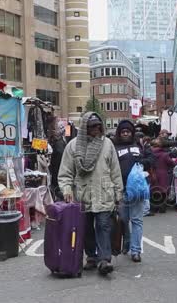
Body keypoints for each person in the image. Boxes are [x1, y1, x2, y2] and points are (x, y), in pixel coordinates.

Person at [58, 112, 123, 276]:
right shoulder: (73, 146)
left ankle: (104, 260)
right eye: (92, 125)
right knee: (85, 228)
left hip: (104, 193)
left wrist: (118, 193)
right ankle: (91, 257)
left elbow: (115, 171)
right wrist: (66, 190)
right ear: (85, 127)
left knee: (104, 226)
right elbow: (65, 173)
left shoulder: (107, 144)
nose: (96, 128)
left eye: (98, 125)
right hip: (82, 194)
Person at [113, 120, 153, 262]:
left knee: (137, 220)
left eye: (128, 131)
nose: (125, 133)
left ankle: (136, 251)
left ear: (132, 133)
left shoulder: (139, 145)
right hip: (121, 189)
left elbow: (150, 159)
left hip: (137, 190)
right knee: (123, 219)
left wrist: (142, 163)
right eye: (123, 131)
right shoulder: (114, 147)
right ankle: (127, 242)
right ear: (119, 133)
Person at [150, 138, 176, 214]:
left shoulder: (150, 154)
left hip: (153, 174)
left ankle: (154, 208)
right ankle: (162, 208)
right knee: (163, 191)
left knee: (154, 190)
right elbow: (172, 163)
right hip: (163, 174)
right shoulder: (164, 155)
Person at [46, 117, 66, 201]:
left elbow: (57, 167)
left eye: (53, 129)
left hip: (58, 181)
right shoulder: (60, 143)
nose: (50, 131)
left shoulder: (58, 146)